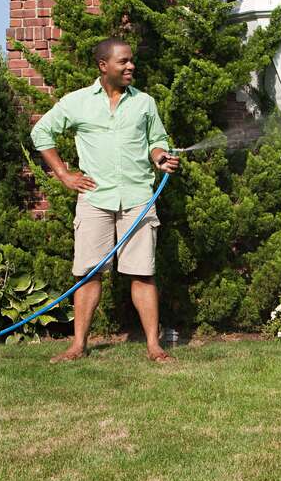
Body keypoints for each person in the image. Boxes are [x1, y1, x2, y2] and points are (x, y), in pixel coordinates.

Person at [30, 37, 179, 363]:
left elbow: (157, 140)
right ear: (103, 66)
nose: (130, 66)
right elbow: (41, 133)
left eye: (131, 61)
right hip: (95, 199)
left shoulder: (144, 103)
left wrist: (160, 157)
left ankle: (154, 346)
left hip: (139, 198)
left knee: (142, 274)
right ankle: (78, 345)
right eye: (123, 61)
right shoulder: (77, 102)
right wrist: (64, 174)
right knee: (88, 273)